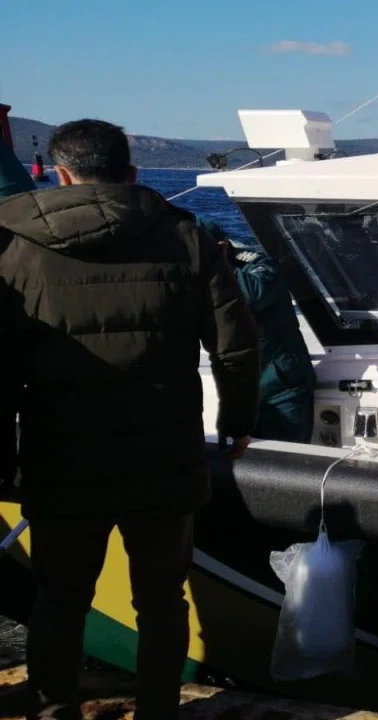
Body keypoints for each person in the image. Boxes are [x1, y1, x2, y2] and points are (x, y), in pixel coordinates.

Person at [0, 119, 260, 720]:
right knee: (162, 600)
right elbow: (237, 346)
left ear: (61, 175)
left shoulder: (13, 246)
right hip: (164, 455)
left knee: (61, 595)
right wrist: (238, 422)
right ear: (133, 173)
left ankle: (54, 705)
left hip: (60, 455)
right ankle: (158, 709)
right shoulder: (186, 236)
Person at [198, 218, 317, 443]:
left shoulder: (257, 265)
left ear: (222, 248)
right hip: (237, 389)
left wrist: (215, 267)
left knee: (285, 457)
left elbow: (251, 295)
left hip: (280, 385)